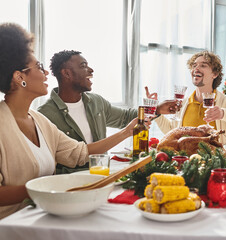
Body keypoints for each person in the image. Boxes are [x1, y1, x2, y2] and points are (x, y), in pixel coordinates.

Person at [0, 23, 137, 219]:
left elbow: (79, 153)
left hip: (44, 217)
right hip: (11, 226)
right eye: (39, 67)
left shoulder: (40, 121)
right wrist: (46, 189)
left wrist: (125, 132)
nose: (46, 73)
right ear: (19, 77)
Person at [38, 50, 177, 173]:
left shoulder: (96, 102)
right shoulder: (44, 115)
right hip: (70, 184)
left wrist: (157, 109)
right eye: (83, 66)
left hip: (102, 176)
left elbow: (126, 118)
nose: (91, 70)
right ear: (66, 73)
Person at [154, 50, 226, 147]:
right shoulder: (184, 104)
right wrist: (156, 110)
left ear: (215, 74)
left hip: (218, 164)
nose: (196, 68)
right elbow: (171, 131)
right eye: (194, 65)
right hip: (187, 163)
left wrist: (223, 114)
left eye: (203, 65)